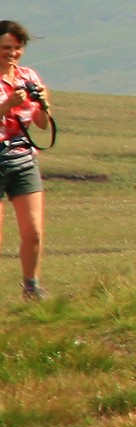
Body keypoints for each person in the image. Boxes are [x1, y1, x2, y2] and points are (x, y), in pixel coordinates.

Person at [0, 20, 51, 300]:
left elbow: (42, 124)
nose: (12, 53)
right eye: (6, 48)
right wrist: (6, 106)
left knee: (33, 231)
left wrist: (43, 101)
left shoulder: (28, 76)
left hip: (23, 157)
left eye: (17, 48)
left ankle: (31, 285)